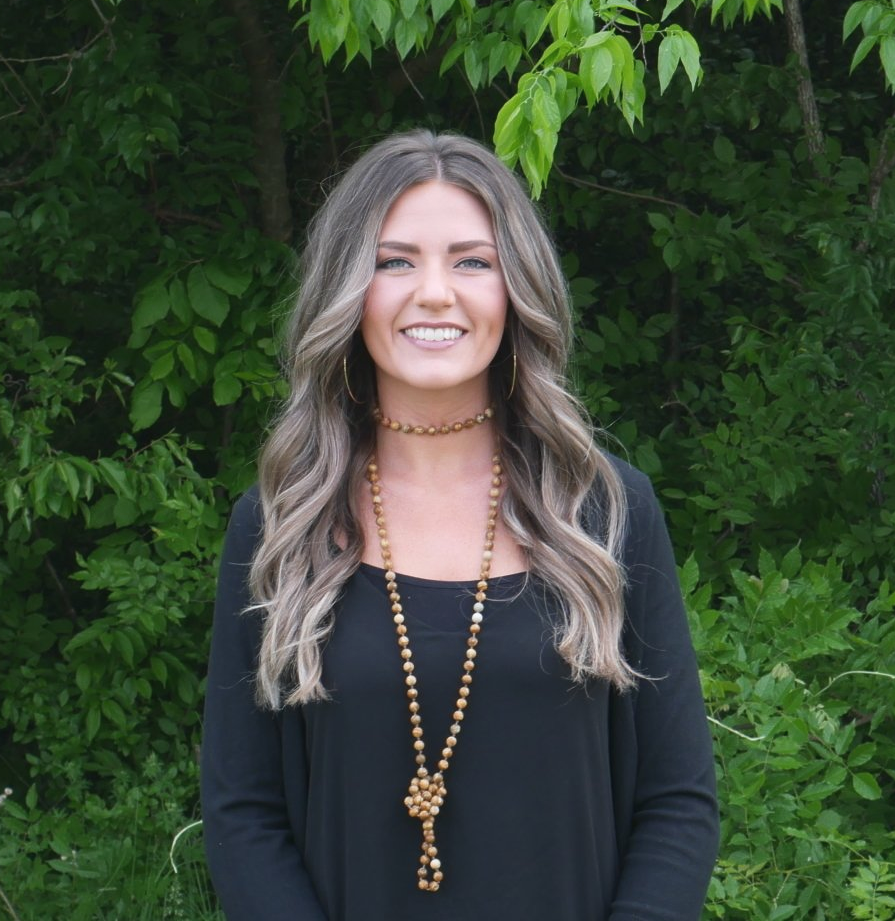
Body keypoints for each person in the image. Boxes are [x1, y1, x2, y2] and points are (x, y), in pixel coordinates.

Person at [200, 130, 719, 921]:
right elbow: (243, 811)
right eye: (394, 260)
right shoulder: (279, 526)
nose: (435, 292)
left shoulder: (607, 512)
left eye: (472, 260)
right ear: (347, 288)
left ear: (517, 288)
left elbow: (677, 800)